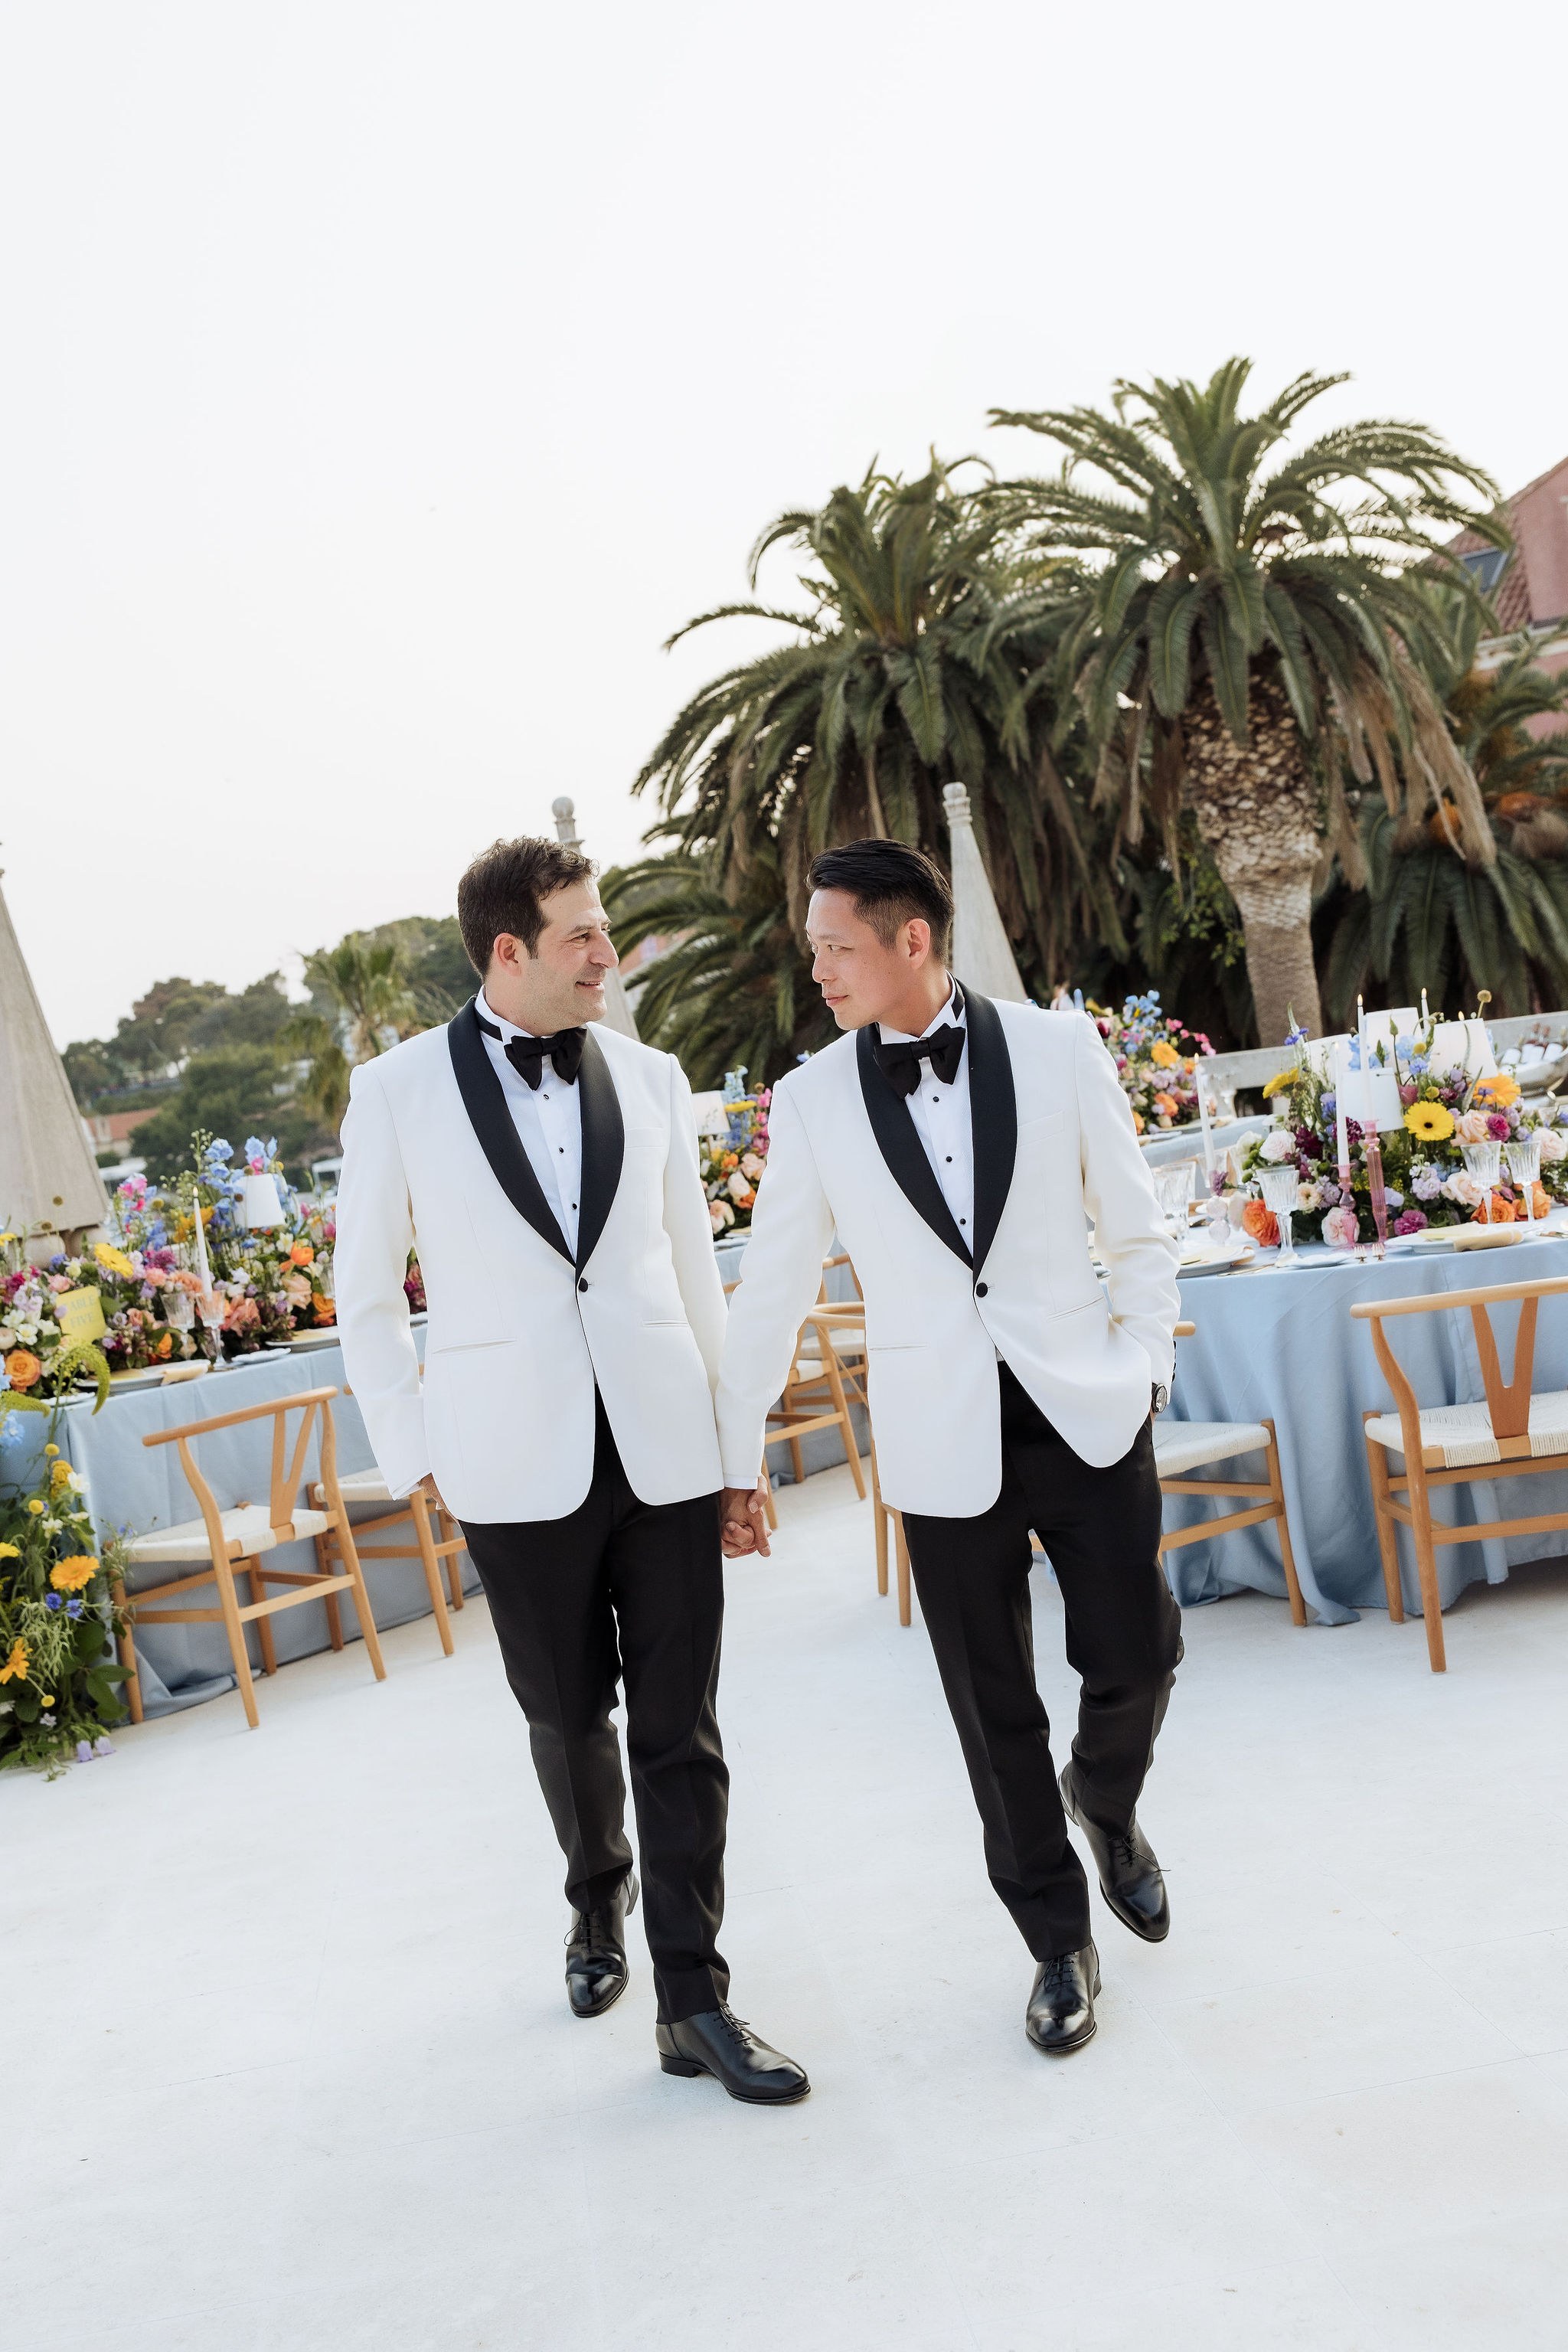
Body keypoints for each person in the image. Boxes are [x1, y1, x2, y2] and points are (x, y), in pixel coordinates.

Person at [333, 834, 808, 2105]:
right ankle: (598, 1895)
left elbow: (695, 1273)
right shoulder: (395, 1092)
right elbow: (364, 1298)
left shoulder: (652, 1077)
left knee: (682, 1727)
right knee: (565, 1712)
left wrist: (738, 1457)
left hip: (664, 1451)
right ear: (511, 951)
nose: (609, 952)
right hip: (504, 1459)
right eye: (584, 934)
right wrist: (417, 1454)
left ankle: (693, 2001)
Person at [715, 840, 1181, 2056]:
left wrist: (1145, 1367)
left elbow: (1136, 1227)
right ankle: (1056, 1945)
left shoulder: (1059, 1047)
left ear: (910, 938)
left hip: (1085, 1410)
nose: (819, 971)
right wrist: (734, 1450)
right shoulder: (812, 1100)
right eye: (814, 949)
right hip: (937, 1437)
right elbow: (774, 1287)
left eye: (836, 947)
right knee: (990, 1708)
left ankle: (1107, 1797)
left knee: (1137, 1652)